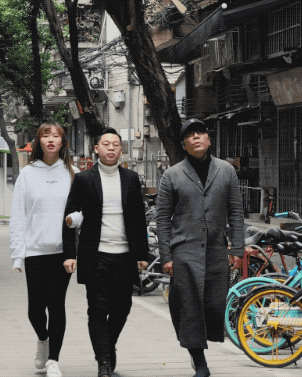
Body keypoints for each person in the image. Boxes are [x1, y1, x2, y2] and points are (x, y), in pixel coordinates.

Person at [156, 118, 245, 377]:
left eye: (200, 133)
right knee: (190, 306)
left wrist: (237, 249)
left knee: (215, 304)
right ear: (184, 144)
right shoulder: (172, 175)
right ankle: (199, 361)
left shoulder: (226, 171)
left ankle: (198, 346)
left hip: (216, 248)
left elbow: (236, 212)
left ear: (208, 139)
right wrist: (166, 256)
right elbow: (162, 218)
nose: (196, 137)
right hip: (184, 250)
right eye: (190, 135)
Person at [62, 128, 149, 377]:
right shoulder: (84, 179)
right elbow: (69, 217)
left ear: (121, 150)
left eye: (115, 144)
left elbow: (138, 219)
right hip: (96, 254)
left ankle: (108, 347)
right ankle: (103, 361)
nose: (111, 148)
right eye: (106, 144)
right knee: (98, 308)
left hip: (125, 255)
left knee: (123, 307)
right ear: (96, 148)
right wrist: (69, 254)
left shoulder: (131, 178)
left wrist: (142, 254)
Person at [9, 122, 79, 377]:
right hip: (35, 251)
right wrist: (17, 255)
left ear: (63, 143)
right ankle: (42, 338)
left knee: (56, 305)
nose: (51, 140)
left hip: (63, 252)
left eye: (56, 136)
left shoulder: (73, 173)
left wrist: (75, 220)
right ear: (38, 142)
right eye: (45, 136)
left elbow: (83, 211)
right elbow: (18, 216)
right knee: (35, 310)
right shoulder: (28, 174)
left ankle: (53, 360)